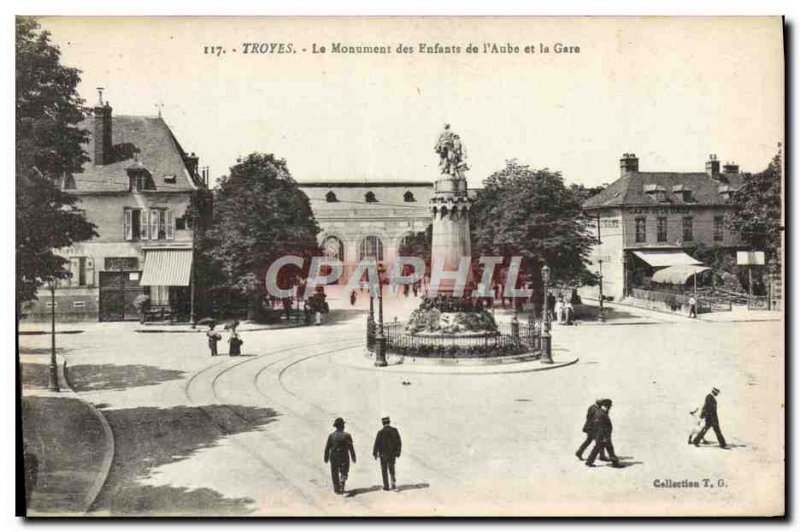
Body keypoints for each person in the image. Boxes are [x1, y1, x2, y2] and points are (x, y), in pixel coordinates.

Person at [324, 417, 357, 494]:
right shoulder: (347, 435)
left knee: (334, 472)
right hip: (344, 457)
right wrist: (353, 457)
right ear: (342, 426)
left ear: (336, 426)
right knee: (344, 472)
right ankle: (342, 483)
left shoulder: (331, 436)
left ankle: (336, 489)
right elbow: (350, 447)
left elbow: (327, 447)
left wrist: (326, 457)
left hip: (334, 457)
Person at [586, 399, 621, 467]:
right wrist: (604, 437)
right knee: (609, 448)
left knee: (598, 448)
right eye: (609, 406)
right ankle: (615, 463)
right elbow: (600, 426)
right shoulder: (601, 413)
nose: (610, 408)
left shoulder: (601, 412)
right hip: (603, 435)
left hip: (602, 435)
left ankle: (589, 462)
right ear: (606, 406)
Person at [372, 416, 402, 491]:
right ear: (389, 422)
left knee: (384, 470)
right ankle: (393, 483)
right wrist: (398, 452)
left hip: (383, 455)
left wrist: (375, 453)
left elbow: (377, 443)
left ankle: (386, 486)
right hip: (392, 454)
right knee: (392, 468)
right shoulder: (394, 430)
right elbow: (398, 442)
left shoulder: (380, 432)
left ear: (382, 423)